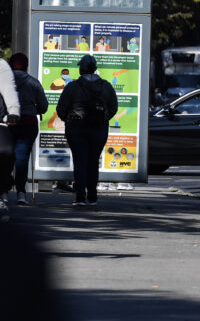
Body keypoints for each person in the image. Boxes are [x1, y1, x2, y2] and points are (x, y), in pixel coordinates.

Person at [56, 55, 117, 207]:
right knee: (93, 161)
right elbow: (113, 107)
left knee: (79, 161)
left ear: (81, 69)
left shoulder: (72, 87)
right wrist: (102, 119)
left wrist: (69, 120)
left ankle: (80, 197)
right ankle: (93, 196)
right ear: (95, 68)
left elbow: (61, 108)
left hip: (76, 128)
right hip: (99, 129)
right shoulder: (106, 86)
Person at [7, 53, 48, 205]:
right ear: (26, 65)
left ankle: (3, 190)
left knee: (5, 157)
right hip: (28, 122)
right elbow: (43, 106)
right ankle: (21, 193)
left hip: (8, 123)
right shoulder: (34, 82)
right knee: (22, 159)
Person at [0, 57, 22, 211]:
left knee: (6, 150)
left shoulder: (1, 65)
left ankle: (2, 188)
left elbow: (8, 87)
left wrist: (13, 111)